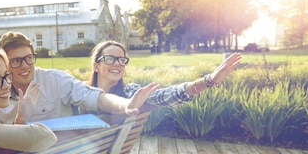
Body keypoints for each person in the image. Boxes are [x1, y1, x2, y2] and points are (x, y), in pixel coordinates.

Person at [0, 31, 160, 124]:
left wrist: (125, 105)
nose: (25, 65)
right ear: (4, 64)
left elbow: (94, 97)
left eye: (29, 58)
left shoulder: (55, 80)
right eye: (16, 61)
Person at [88, 40, 241, 105]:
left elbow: (167, 94)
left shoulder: (131, 93)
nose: (117, 63)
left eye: (122, 60)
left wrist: (209, 80)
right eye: (110, 59)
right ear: (96, 66)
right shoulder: (80, 91)